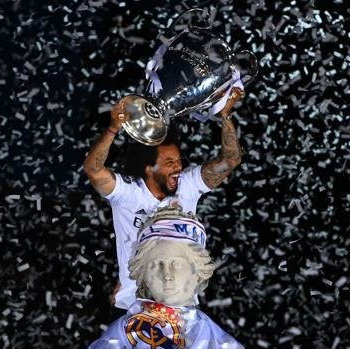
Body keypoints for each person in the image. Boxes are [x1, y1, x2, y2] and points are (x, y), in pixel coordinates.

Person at [83, 88, 244, 313]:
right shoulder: (128, 193)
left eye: (178, 160)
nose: (178, 167)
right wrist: (113, 128)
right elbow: (93, 169)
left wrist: (225, 116)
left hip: (182, 307)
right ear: (149, 168)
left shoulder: (187, 185)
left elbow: (230, 160)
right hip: (137, 306)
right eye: (169, 162)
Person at [88, 207, 244, 348]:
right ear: (144, 277)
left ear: (197, 272)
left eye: (176, 264)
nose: (167, 275)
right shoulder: (123, 334)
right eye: (155, 265)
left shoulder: (220, 342)